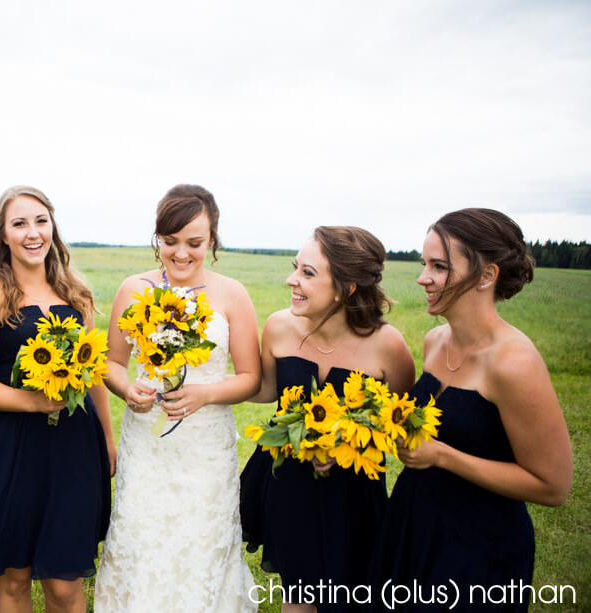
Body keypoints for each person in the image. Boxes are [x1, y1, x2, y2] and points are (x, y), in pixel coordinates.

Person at [368, 208, 572, 612]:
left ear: (486, 276)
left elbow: (553, 486)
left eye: (439, 267)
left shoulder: (514, 363)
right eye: (425, 264)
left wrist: (442, 456)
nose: (423, 277)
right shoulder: (435, 341)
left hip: (476, 545)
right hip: (412, 522)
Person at [93, 184, 261, 612]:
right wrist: (128, 389)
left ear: (214, 239)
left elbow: (250, 377)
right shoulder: (133, 289)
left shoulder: (231, 294)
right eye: (169, 242)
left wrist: (206, 393)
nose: (180, 253)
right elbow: (111, 364)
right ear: (157, 239)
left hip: (206, 449)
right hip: (147, 446)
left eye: (194, 243)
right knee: (141, 537)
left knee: (203, 544)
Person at [0, 185, 114, 613]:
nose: (32, 232)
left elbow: (93, 373)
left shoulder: (75, 294)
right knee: (15, 577)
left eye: (40, 220)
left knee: (64, 582)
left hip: (72, 447)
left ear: (53, 227)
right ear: (3, 235)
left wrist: (109, 443)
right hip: (8, 447)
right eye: (19, 223)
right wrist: (32, 402)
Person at [239, 226, 416, 613]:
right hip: (290, 484)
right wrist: (205, 376)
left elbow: (402, 424)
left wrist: (353, 444)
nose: (292, 280)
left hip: (351, 493)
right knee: (298, 597)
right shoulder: (279, 326)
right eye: (295, 268)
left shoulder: (388, 345)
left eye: (307, 273)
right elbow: (264, 389)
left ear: (347, 287)